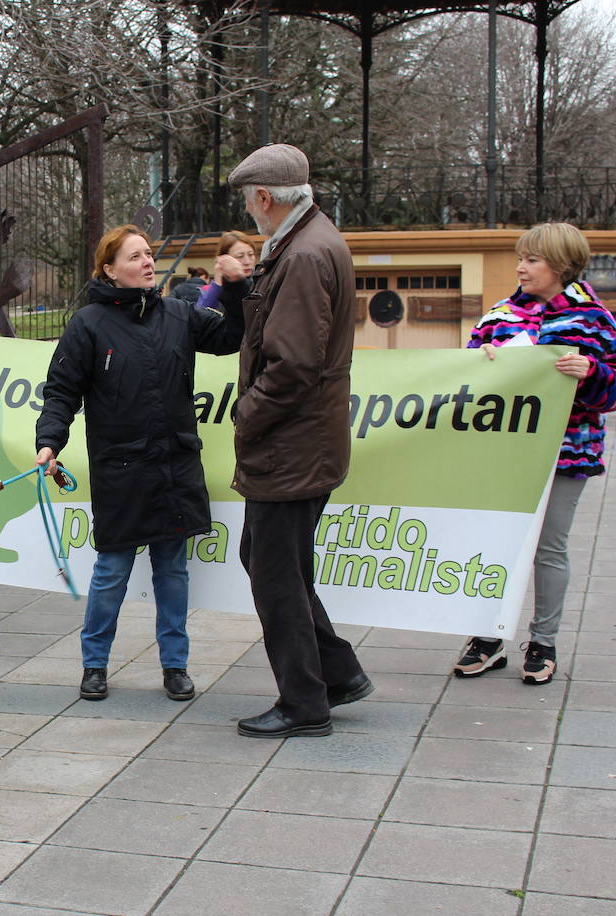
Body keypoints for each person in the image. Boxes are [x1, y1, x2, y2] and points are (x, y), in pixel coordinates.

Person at [35, 224, 243, 703]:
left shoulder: (179, 314)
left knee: (173, 571)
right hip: (121, 471)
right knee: (111, 573)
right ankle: (94, 665)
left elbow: (233, 335)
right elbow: (61, 392)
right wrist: (50, 443)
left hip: (174, 467)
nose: (148, 262)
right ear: (109, 269)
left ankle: (175, 666)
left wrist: (234, 288)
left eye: (149, 254)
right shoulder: (87, 323)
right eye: (135, 256)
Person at [226, 143, 373, 739]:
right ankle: (336, 673)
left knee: (276, 574)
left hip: (291, 445)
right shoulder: (307, 239)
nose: (247, 210)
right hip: (301, 442)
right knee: (267, 561)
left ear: (265, 197)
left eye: (247, 200)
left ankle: (303, 702)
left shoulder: (305, 254)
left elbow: (291, 364)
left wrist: (247, 415)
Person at [452, 223, 616, 684]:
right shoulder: (498, 316)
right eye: (521, 258)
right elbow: (465, 378)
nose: (520, 267)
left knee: (549, 548)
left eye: (531, 260)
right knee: (497, 544)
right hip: (504, 454)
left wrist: (591, 372)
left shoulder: (593, 318)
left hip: (566, 454)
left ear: (560, 264)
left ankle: (543, 643)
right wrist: (484, 363)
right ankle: (488, 638)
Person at [198, 232, 259, 313]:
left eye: (251, 255)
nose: (247, 261)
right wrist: (217, 284)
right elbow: (200, 314)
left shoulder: (262, 283)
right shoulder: (213, 289)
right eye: (240, 256)